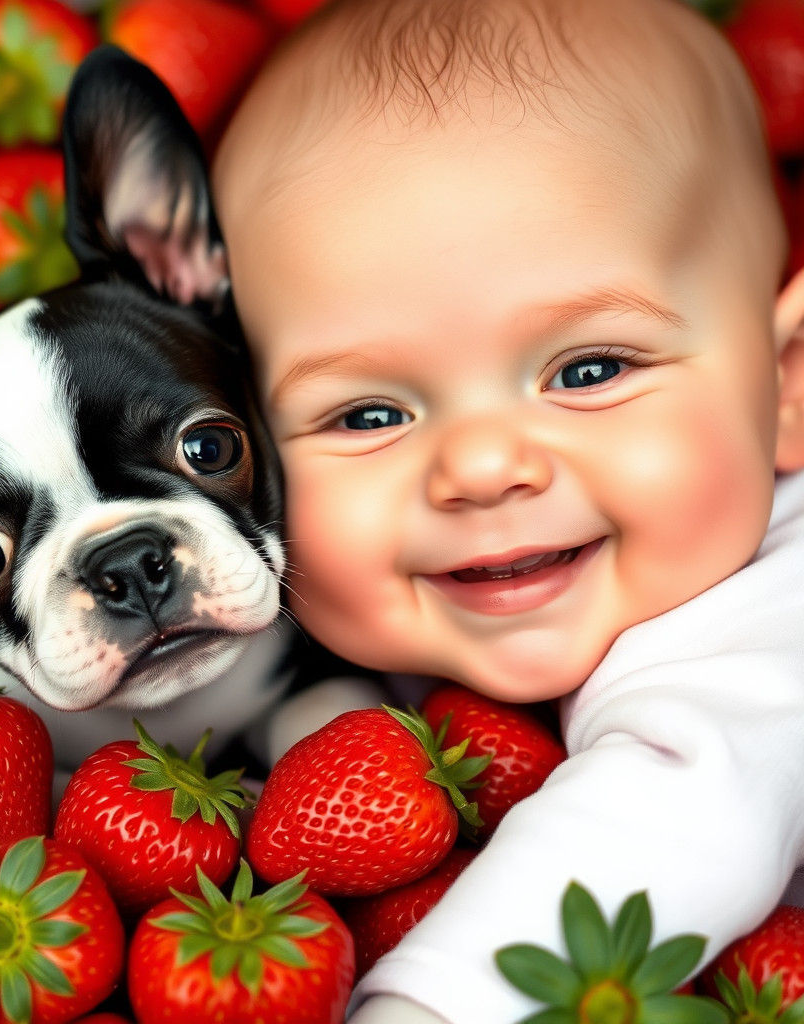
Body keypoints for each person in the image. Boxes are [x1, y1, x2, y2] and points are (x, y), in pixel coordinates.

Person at [209, 0, 804, 1020]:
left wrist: (430, 1007)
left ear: (787, 384)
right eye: (367, 415)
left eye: (588, 370)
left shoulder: (774, 610)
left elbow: (679, 805)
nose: (482, 468)